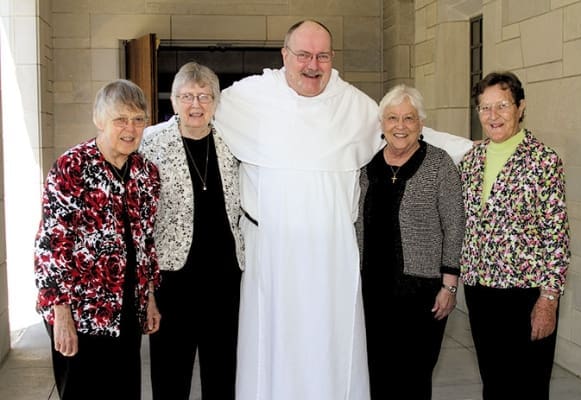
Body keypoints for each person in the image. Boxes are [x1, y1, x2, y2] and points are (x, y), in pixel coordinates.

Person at [214, 19, 469, 400]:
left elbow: (407, 131)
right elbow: (193, 117)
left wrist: (477, 147)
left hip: (333, 259)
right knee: (274, 345)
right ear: (284, 55)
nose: (312, 65)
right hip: (273, 257)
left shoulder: (354, 106)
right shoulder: (245, 100)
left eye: (322, 56)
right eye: (303, 55)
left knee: (329, 344)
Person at [33, 79, 161, 400]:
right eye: (121, 119)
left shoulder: (147, 173)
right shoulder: (71, 167)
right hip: (80, 313)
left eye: (138, 119)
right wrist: (61, 315)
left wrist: (149, 298)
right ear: (99, 120)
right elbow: (51, 246)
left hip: (127, 310)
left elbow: (146, 242)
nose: (130, 128)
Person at [459, 71, 570, 400]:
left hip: (527, 294)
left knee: (529, 386)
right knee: (493, 383)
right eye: (484, 108)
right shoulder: (471, 161)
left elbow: (557, 234)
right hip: (480, 290)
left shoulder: (543, 161)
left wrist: (549, 299)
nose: (492, 116)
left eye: (502, 106)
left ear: (520, 107)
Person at [139, 62, 243, 400]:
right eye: (187, 96)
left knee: (224, 373)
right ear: (173, 100)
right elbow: (140, 221)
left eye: (203, 96)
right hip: (174, 281)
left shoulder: (235, 142)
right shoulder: (150, 144)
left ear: (216, 101)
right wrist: (147, 289)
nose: (195, 105)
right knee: (171, 375)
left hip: (226, 279)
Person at [359, 84, 465, 400]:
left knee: (415, 376)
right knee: (377, 373)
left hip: (422, 293)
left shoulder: (439, 163)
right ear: (382, 124)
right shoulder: (367, 165)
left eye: (409, 118)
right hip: (373, 291)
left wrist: (449, 286)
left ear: (421, 123)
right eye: (392, 118)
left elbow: (455, 224)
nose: (400, 126)